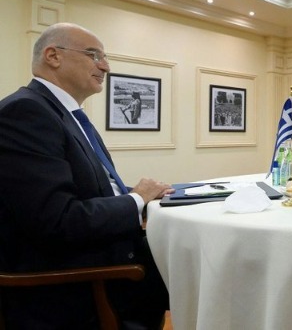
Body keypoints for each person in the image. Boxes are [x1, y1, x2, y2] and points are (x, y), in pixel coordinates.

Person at [0, 23, 174, 329]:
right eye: (94, 55)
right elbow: (58, 220)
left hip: (103, 261)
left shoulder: (66, 114)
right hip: (77, 287)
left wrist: (140, 196)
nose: (105, 66)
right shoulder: (25, 112)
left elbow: (91, 191)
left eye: (105, 57)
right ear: (53, 56)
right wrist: (136, 200)